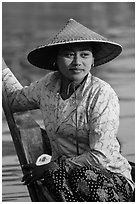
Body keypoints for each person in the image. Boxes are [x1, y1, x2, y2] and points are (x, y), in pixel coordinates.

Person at [2, 18, 134, 202]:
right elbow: (14, 99)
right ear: (55, 60)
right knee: (56, 175)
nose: (77, 62)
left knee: (72, 175)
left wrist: (51, 167)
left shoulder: (102, 94)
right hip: (63, 176)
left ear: (93, 60)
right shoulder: (47, 85)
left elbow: (101, 157)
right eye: (69, 54)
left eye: (85, 55)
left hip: (109, 178)